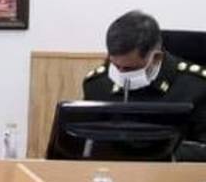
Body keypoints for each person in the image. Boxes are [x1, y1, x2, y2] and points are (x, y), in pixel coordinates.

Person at [83, 10, 206, 152]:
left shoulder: (197, 86)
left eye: (129, 69)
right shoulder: (96, 85)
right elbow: (87, 143)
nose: (121, 74)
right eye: (115, 66)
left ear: (156, 58)